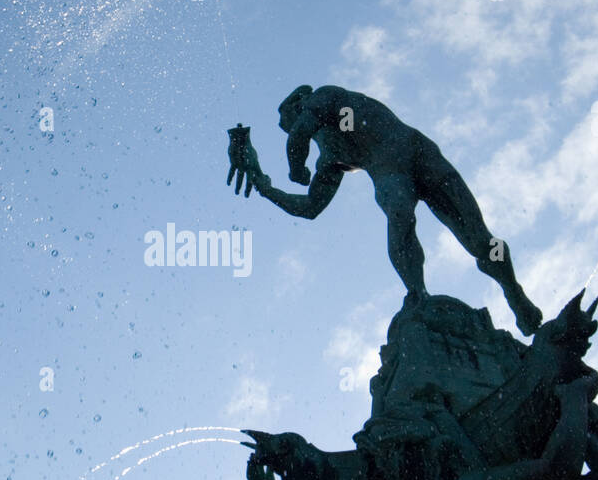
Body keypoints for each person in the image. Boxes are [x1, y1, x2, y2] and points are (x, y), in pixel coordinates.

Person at [227, 84, 542, 335]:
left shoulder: (327, 96)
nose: (296, 129)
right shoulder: (331, 157)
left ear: (301, 105)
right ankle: (418, 294)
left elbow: (299, 137)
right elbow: (310, 207)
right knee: (399, 213)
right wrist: (264, 186)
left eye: (292, 121)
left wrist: (296, 168)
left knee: (478, 239)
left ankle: (513, 291)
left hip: (416, 152)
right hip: (389, 170)